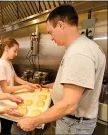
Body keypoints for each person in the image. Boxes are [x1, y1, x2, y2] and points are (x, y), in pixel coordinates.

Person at [17, 4, 106, 135]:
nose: (51, 37)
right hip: (73, 123)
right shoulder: (84, 46)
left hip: (73, 126)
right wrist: (51, 86)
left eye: (50, 32)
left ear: (60, 25)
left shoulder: (79, 53)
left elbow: (69, 104)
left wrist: (34, 121)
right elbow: (75, 84)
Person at [0, 38, 41, 135]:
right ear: (6, 48)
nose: (16, 54)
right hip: (2, 101)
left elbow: (16, 78)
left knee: (8, 126)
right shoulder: (0, 64)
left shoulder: (8, 63)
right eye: (15, 50)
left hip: (8, 99)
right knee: (5, 129)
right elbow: (5, 89)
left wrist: (31, 84)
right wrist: (24, 87)